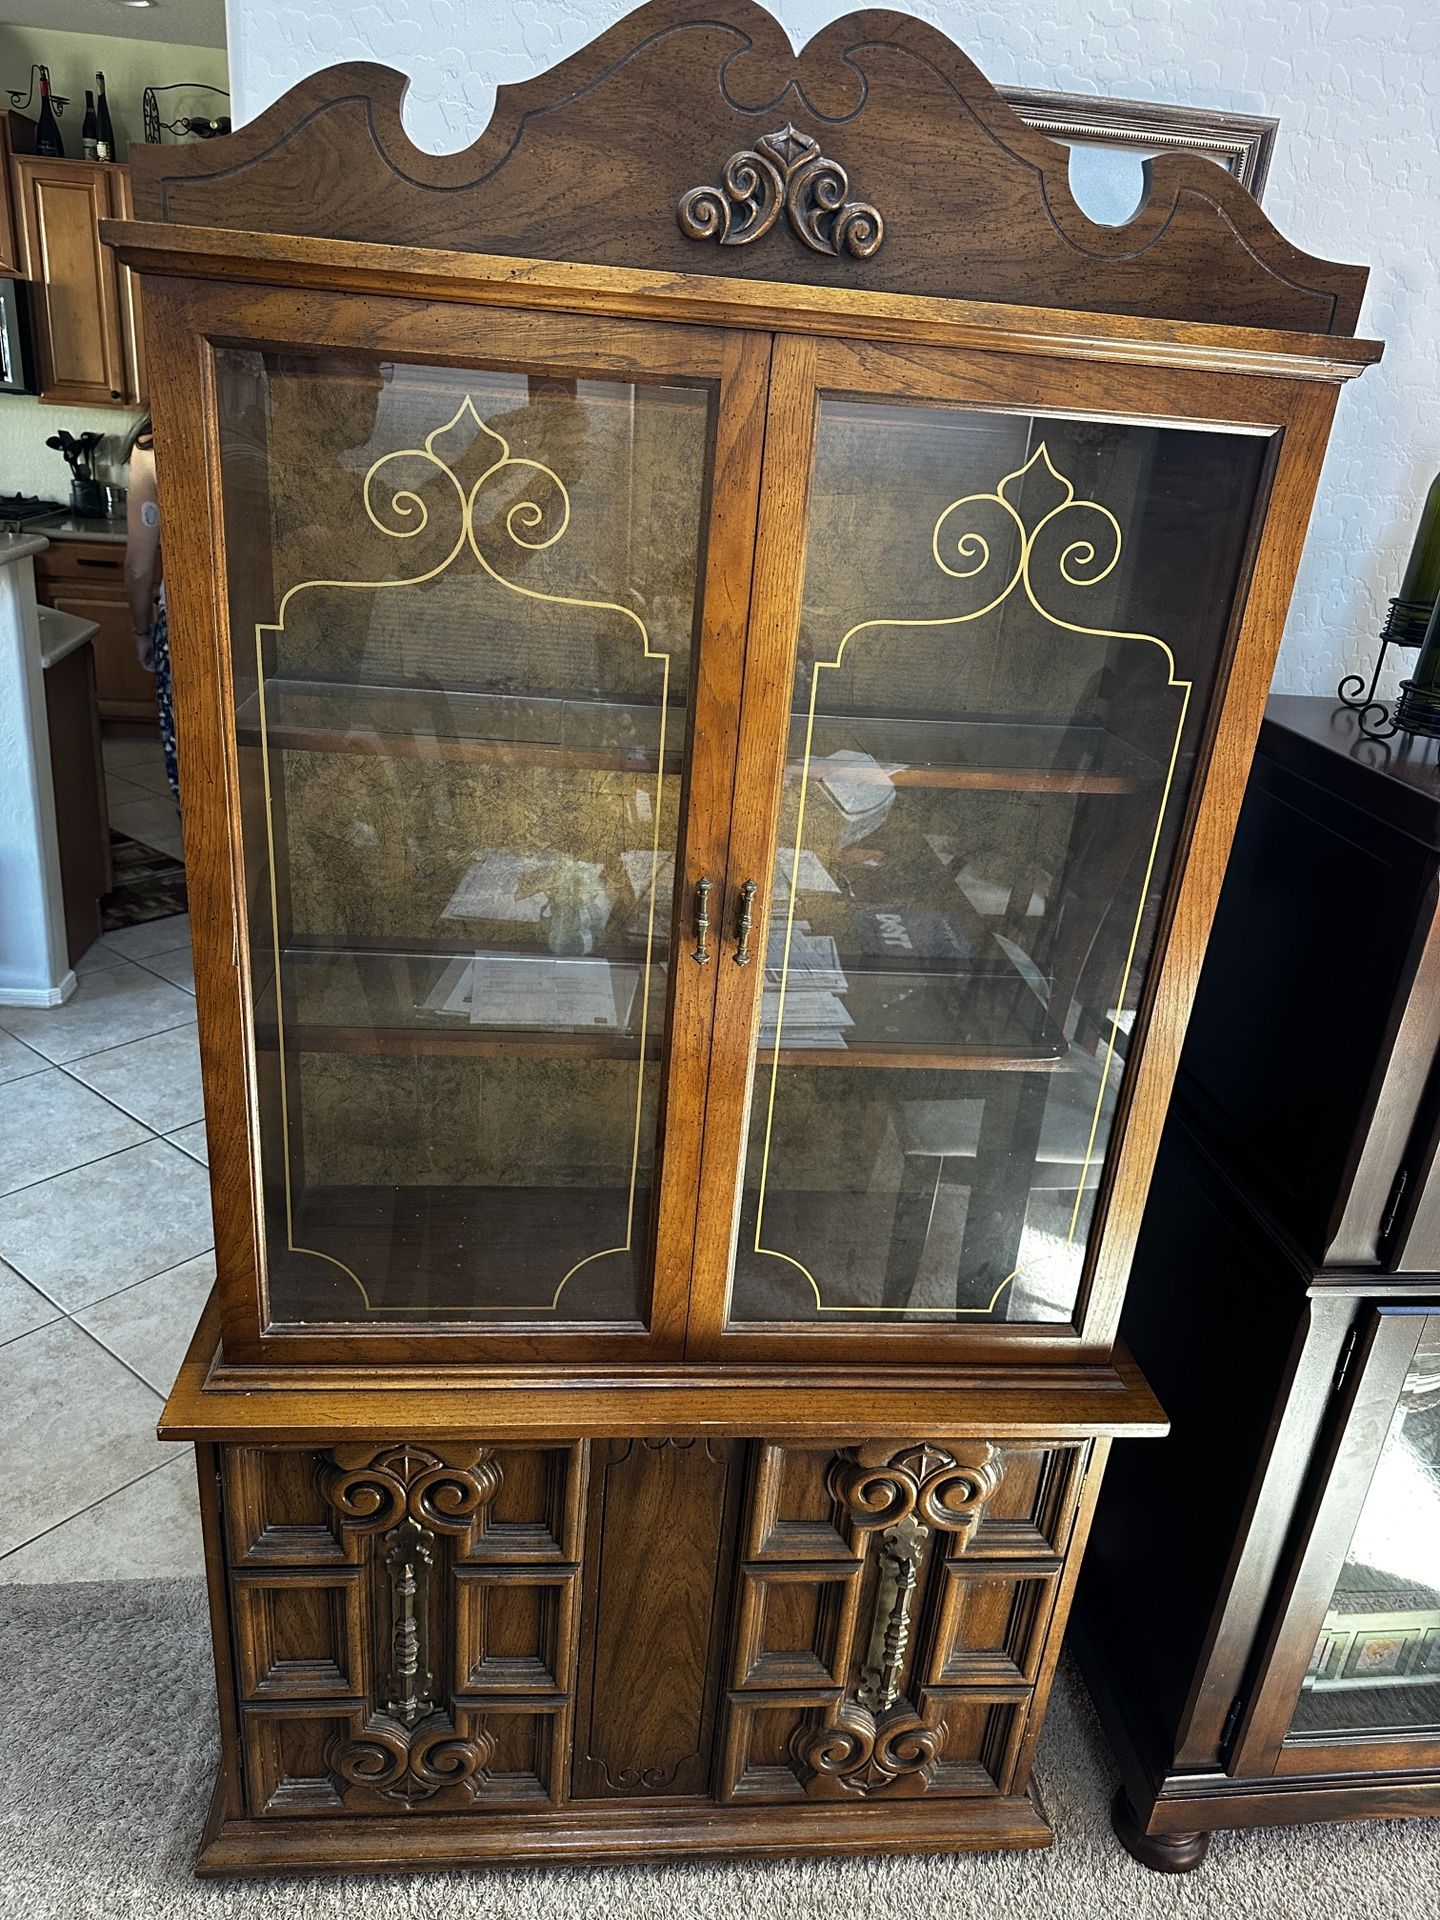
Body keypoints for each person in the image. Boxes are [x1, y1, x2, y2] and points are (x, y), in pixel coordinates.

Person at [123, 415, 178, 802]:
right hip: (266, 622)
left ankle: (204, 857)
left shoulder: (153, 449)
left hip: (184, 628)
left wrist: (142, 631)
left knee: (194, 758)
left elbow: (140, 565)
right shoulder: (260, 424)